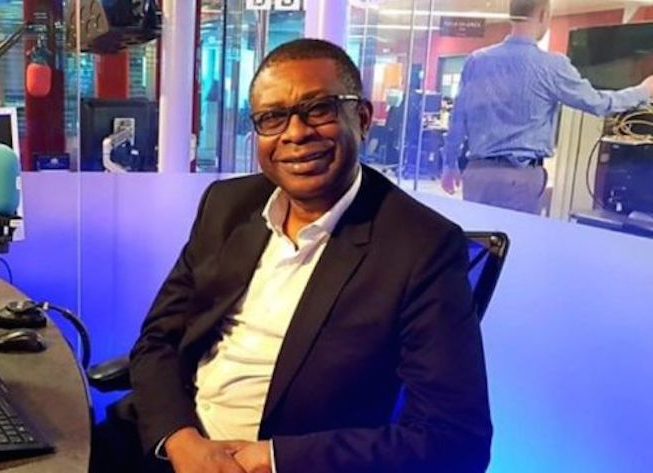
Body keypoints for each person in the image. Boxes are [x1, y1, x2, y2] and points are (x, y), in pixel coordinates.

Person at [94, 38, 491, 473]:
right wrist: (180, 440)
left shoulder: (421, 246)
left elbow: (455, 439)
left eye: (319, 109)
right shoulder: (227, 205)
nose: (296, 133)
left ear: (361, 119)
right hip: (168, 446)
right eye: (272, 117)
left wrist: (272, 459)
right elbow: (158, 339)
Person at [441, 0, 653, 214]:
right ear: (543, 15)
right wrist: (643, 90)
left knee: (477, 234)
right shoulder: (551, 66)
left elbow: (458, 118)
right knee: (516, 235)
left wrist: (449, 164)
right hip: (520, 179)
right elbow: (599, 104)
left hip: (477, 174)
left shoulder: (476, 61)